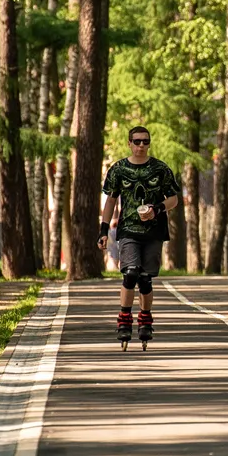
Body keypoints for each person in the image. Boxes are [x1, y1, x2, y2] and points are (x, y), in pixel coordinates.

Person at [97, 126, 182, 346]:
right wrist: (103, 230)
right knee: (131, 273)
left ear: (149, 143)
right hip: (128, 230)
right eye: (137, 142)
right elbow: (111, 201)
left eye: (145, 141)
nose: (141, 146)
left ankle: (145, 318)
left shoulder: (160, 169)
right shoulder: (118, 169)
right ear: (129, 143)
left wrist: (158, 208)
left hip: (154, 231)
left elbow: (174, 199)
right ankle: (124, 318)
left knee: (146, 278)